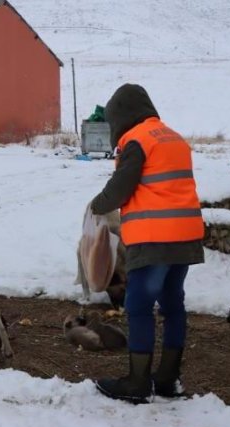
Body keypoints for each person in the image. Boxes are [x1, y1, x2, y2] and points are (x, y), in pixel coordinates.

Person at [90, 84, 205, 404]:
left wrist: (97, 205)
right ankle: (168, 378)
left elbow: (120, 189)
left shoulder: (137, 141)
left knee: (139, 306)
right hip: (185, 236)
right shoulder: (172, 137)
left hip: (155, 239)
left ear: (121, 117)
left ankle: (138, 382)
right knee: (172, 305)